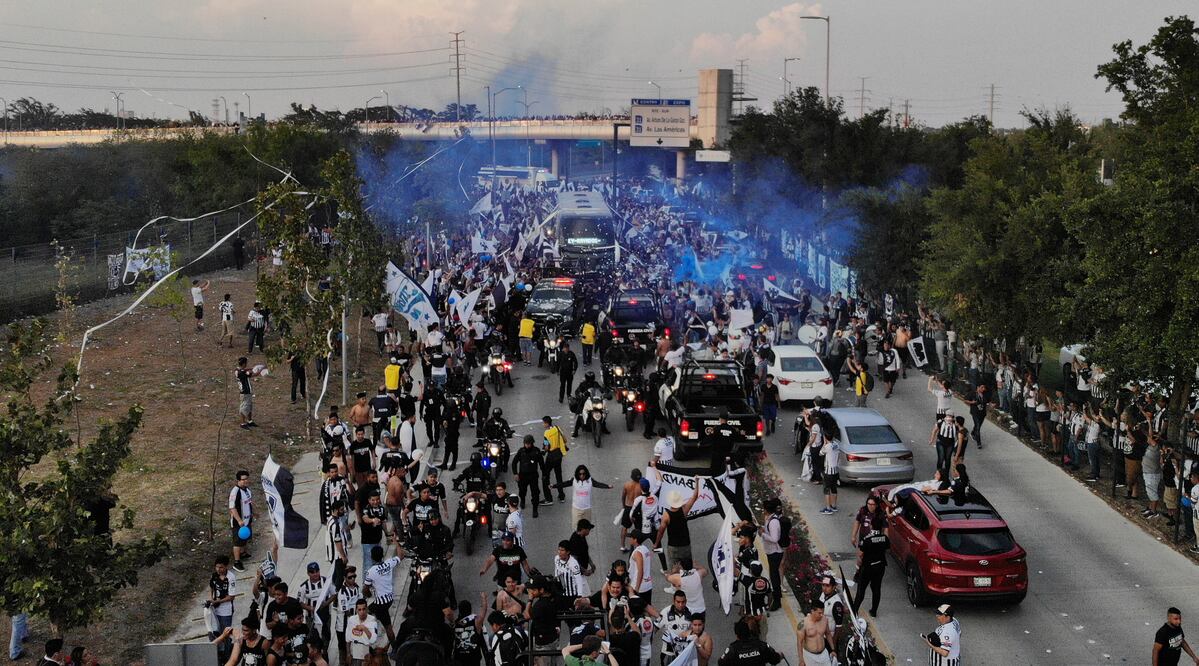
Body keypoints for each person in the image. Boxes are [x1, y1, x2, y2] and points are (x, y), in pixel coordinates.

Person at [655, 477, 702, 568]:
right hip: (685, 545)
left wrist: (656, 543)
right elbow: (694, 496)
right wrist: (697, 482)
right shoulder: (684, 509)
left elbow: (661, 531)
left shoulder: (666, 515)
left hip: (673, 546)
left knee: (674, 571)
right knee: (688, 568)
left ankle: (676, 581)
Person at [208, 555, 238, 663]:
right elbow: (211, 587)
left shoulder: (231, 577)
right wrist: (211, 599)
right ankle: (218, 654)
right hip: (215, 610)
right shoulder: (214, 576)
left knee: (226, 633)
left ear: (226, 567)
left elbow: (231, 596)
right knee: (216, 632)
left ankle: (228, 656)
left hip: (226, 611)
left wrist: (218, 601)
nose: (218, 569)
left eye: (221, 567)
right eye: (217, 567)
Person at [759, 497, 786, 612]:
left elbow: (775, 538)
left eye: (763, 509)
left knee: (774, 576)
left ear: (766, 510)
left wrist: (763, 534)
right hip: (771, 551)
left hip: (775, 552)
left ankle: (777, 600)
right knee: (773, 575)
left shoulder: (773, 522)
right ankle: (776, 597)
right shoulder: (769, 519)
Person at [512, 435, 546, 517]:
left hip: (533, 475)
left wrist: (544, 474)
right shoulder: (521, 451)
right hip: (522, 476)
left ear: (532, 443)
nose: (527, 445)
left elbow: (541, 464)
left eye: (529, 444)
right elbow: (514, 462)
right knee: (522, 491)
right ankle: (522, 500)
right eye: (526, 444)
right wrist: (515, 473)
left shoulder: (536, 451)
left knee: (535, 493)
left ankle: (535, 509)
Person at [656, 590, 693, 665]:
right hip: (668, 652)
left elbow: (695, 629)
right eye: (678, 602)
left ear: (686, 601)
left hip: (684, 652)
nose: (680, 605)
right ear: (673, 601)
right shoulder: (665, 612)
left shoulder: (691, 612)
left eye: (683, 602)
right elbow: (655, 628)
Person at [541, 416, 569, 502]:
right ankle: (561, 496)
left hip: (551, 456)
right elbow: (564, 438)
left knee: (545, 476)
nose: (543, 424)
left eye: (543, 423)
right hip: (559, 454)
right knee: (558, 475)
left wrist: (543, 451)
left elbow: (546, 446)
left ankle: (548, 498)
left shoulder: (546, 433)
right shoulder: (557, 428)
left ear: (546, 423)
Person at [345, 599, 379, 666]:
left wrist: (364, 628)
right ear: (356, 610)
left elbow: (373, 640)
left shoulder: (372, 620)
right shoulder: (351, 620)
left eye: (364, 609)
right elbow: (347, 639)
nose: (362, 612)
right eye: (359, 610)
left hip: (366, 650)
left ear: (367, 609)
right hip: (354, 650)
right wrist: (348, 653)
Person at [236, 357, 260, 429]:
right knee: (243, 408)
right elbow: (253, 374)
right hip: (245, 392)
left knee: (249, 406)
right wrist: (260, 370)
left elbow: (245, 370)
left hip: (246, 392)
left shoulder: (238, 370)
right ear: (244, 364)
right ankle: (243, 423)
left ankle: (249, 421)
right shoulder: (243, 373)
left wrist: (251, 368)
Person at [964, 382, 989, 448]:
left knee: (978, 426)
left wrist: (991, 405)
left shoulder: (985, 394)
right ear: (978, 387)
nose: (983, 389)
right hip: (975, 413)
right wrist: (972, 402)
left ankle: (972, 433)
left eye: (984, 388)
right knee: (978, 427)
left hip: (982, 413)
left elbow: (987, 402)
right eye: (982, 387)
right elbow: (965, 400)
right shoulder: (972, 393)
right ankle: (979, 443)